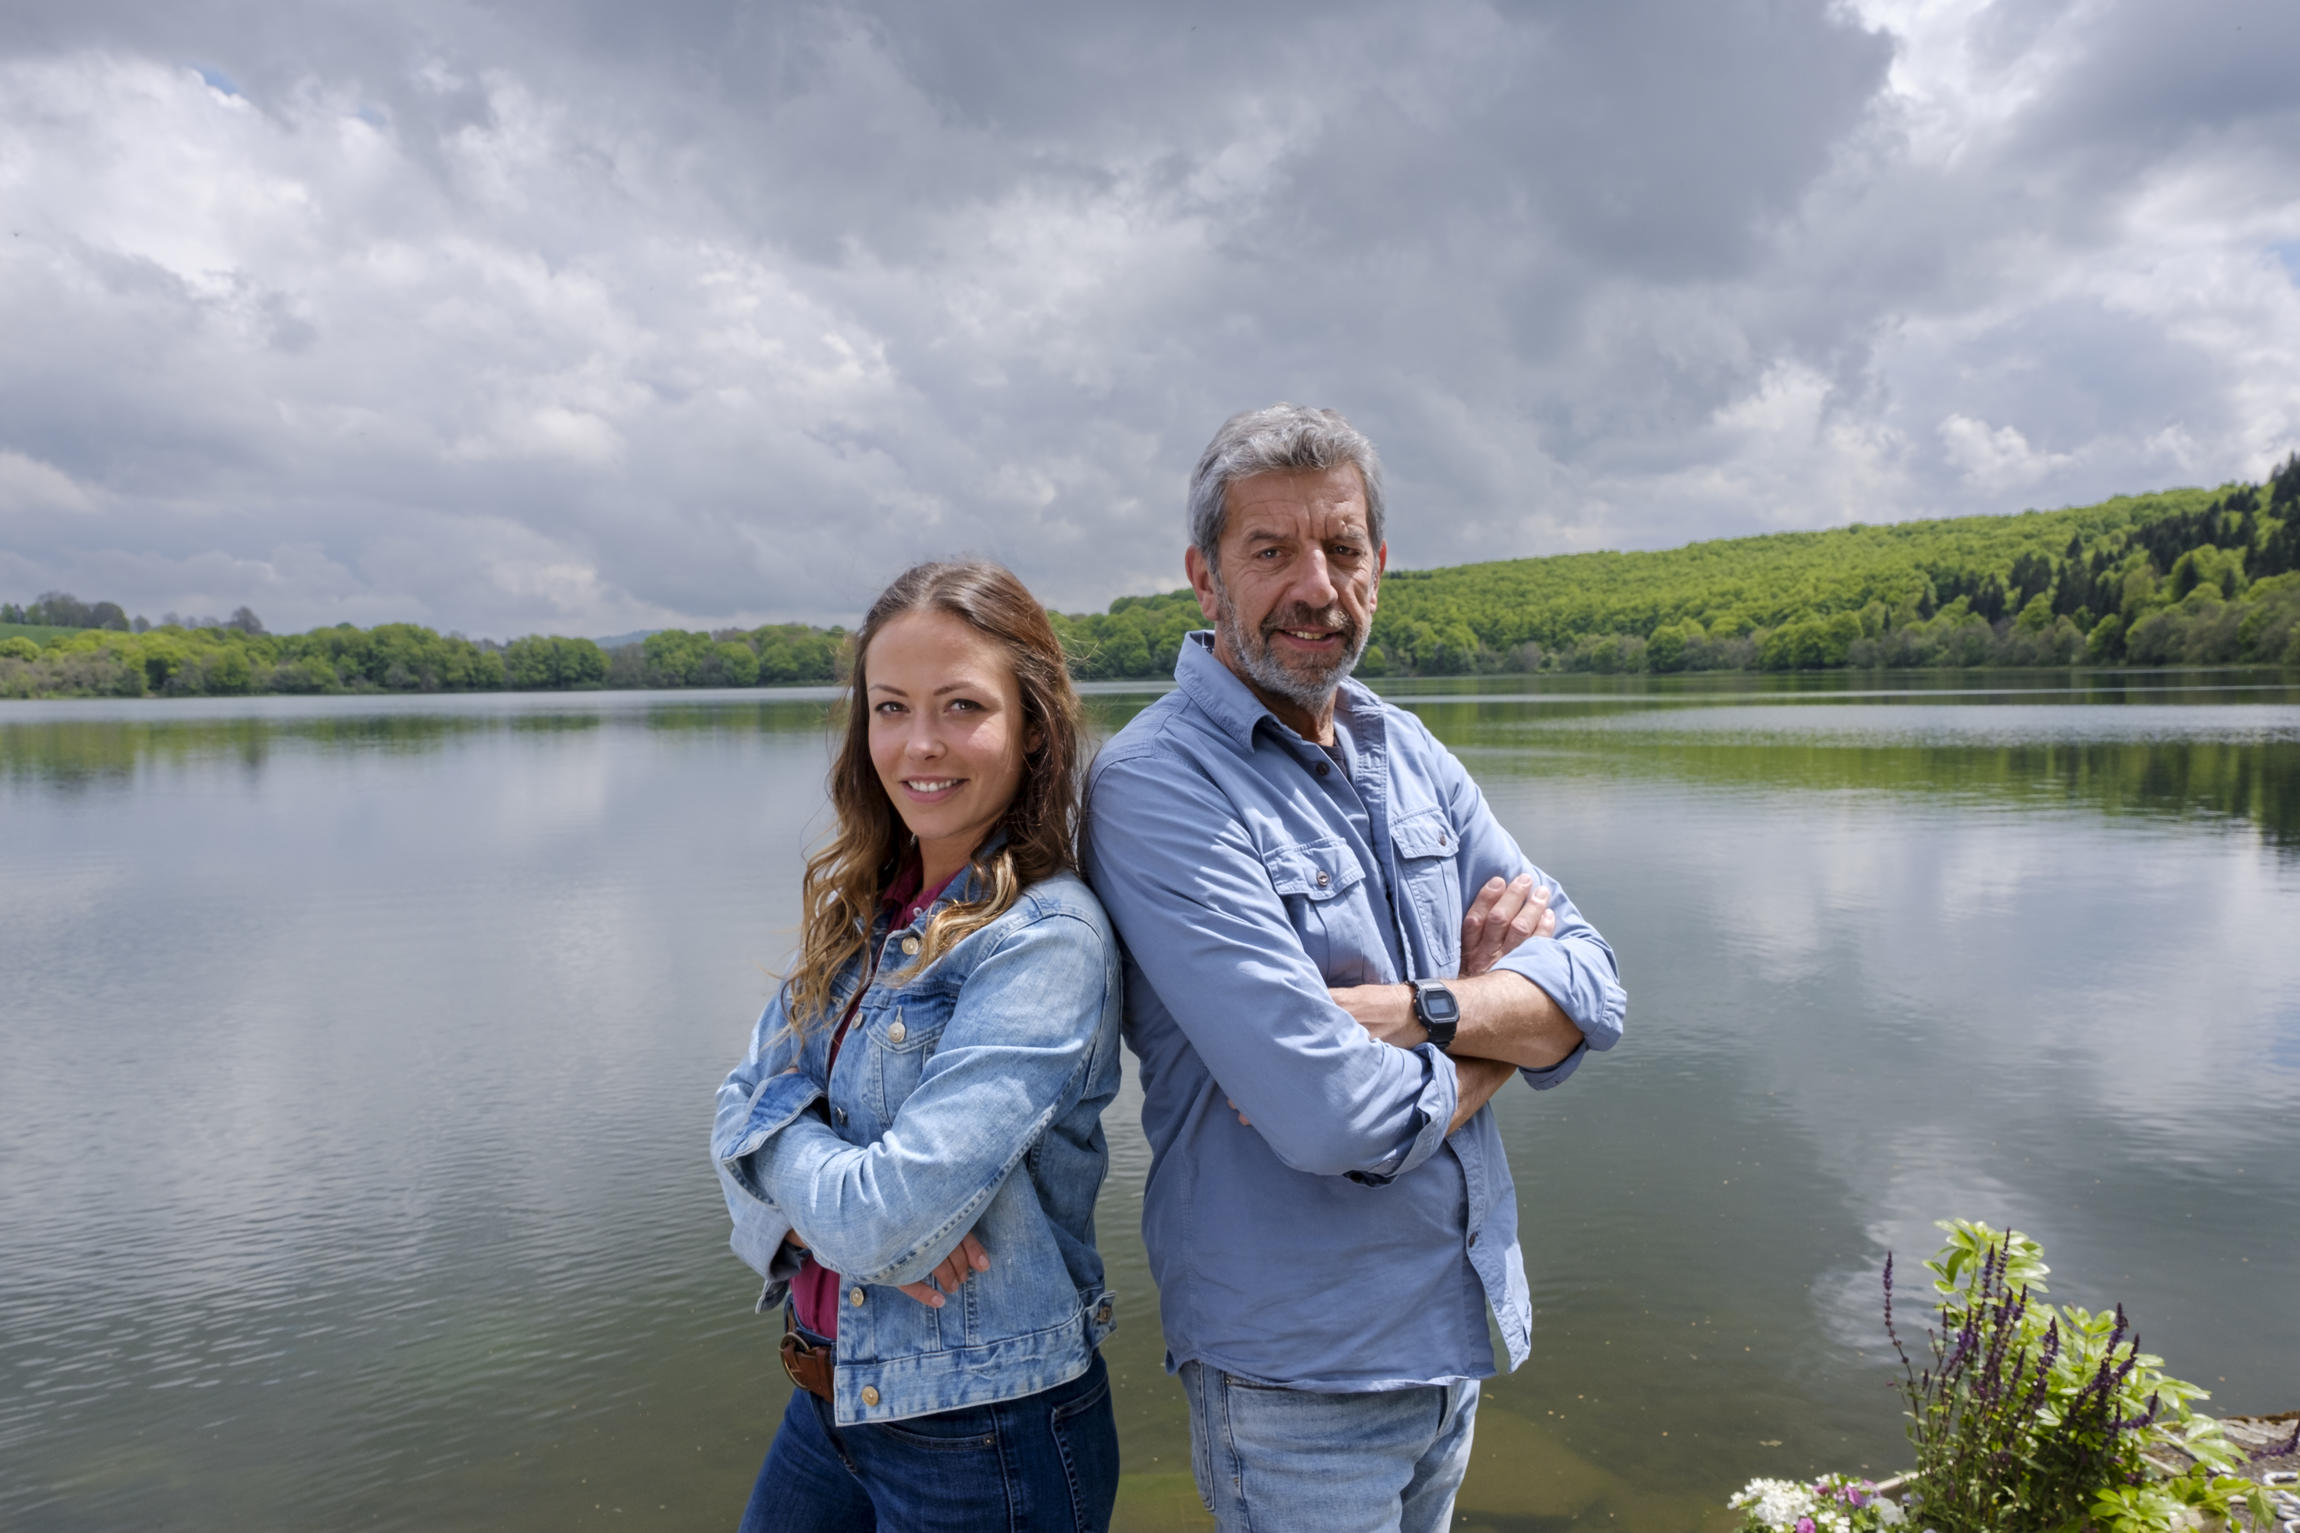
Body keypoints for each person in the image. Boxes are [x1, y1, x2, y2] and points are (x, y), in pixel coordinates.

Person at [1081, 404, 1627, 1533]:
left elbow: (1593, 986)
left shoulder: (1406, 748)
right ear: (1202, 575)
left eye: (1340, 548)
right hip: (1295, 1380)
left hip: (1451, 1338)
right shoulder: (1157, 787)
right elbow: (1330, 1119)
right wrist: (1494, 1030)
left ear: (1379, 565)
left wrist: (1412, 1011)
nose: (1313, 587)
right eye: (1269, 551)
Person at [712, 559, 1125, 1533]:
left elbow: (876, 1222)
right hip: (828, 1402)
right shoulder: (861, 910)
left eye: (961, 706)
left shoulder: (1043, 938)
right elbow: (730, 1105)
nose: (920, 743)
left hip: (982, 1434)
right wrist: (827, 1195)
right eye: (890, 707)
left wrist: (777, 1153)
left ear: (1032, 729)